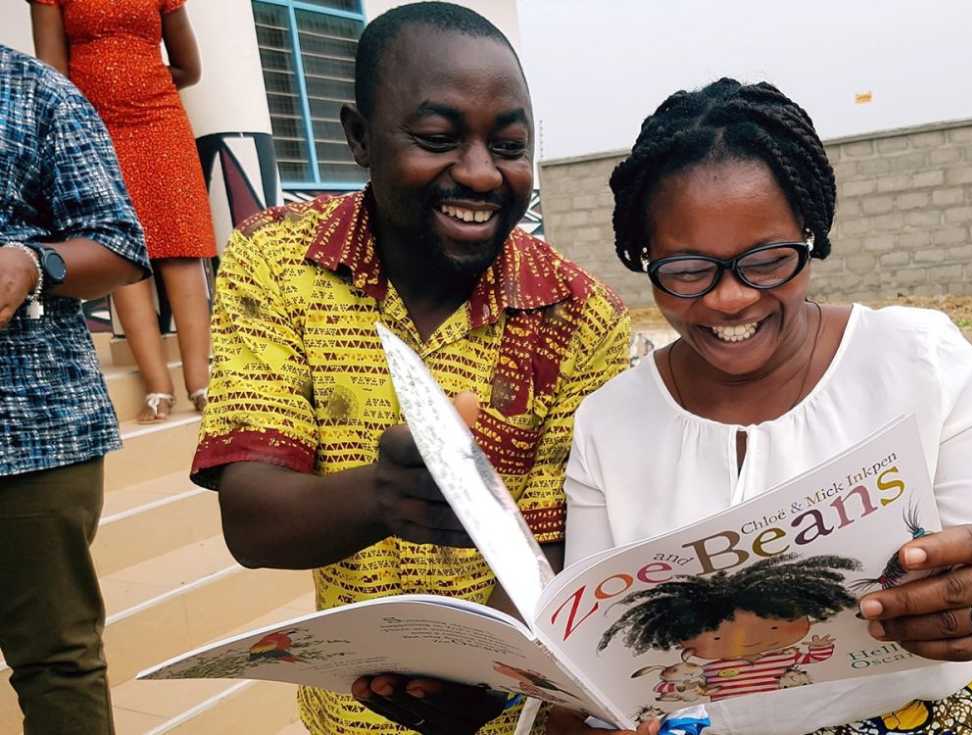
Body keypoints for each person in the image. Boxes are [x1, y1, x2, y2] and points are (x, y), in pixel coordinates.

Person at [554, 79, 972, 735]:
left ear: (810, 234)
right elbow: (597, 654)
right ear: (643, 258)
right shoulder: (609, 421)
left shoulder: (919, 359)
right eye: (686, 269)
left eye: (766, 260)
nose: (730, 298)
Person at [188, 4, 630, 734]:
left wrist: (484, 681)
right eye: (436, 138)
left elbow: (560, 548)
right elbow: (253, 521)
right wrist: (387, 495)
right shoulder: (275, 261)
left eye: (510, 144)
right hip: (344, 714)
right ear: (359, 137)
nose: (483, 173)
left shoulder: (579, 314)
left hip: (513, 716)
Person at [0, 44, 150, 735]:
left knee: (57, 659)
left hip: (30, 433)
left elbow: (119, 242)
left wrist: (32, 261)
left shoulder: (35, 93)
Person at [30, 0, 216, 422]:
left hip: (159, 121)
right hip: (96, 127)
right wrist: (96, 106)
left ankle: (201, 382)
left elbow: (189, 67)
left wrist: (139, 86)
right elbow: (52, 75)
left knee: (182, 246)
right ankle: (157, 388)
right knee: (124, 252)